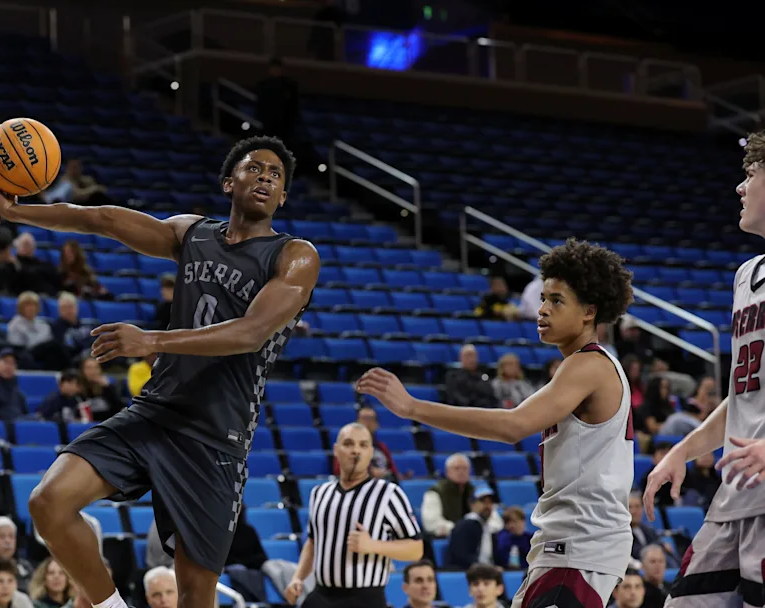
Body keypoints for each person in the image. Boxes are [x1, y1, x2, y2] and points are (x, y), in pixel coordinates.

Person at [0, 135, 320, 608]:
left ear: (283, 196)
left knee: (195, 595)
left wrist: (152, 340)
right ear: (228, 182)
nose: (264, 176)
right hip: (155, 414)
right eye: (253, 168)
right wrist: (18, 213)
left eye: (275, 175)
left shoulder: (294, 256)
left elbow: (250, 333)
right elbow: (102, 218)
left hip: (215, 438)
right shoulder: (193, 234)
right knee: (48, 504)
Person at [359, 238, 635, 608]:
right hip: (566, 544)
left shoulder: (589, 365)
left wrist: (412, 407)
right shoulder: (580, 367)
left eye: (556, 300)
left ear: (589, 312)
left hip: (581, 543)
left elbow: (512, 426)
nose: (543, 309)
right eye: (543, 299)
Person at [643, 131, 765, 607]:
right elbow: (745, 395)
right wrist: (683, 450)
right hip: (737, 492)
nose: (739, 187)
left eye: (750, 174)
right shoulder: (745, 276)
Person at [284, 424, 422, 607]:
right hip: (321, 594)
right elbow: (313, 542)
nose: (356, 450)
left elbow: (416, 549)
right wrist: (298, 578)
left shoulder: (388, 493)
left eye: (363, 445)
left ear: (371, 452)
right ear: (336, 450)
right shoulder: (320, 493)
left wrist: (373, 545)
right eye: (348, 444)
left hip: (365, 599)